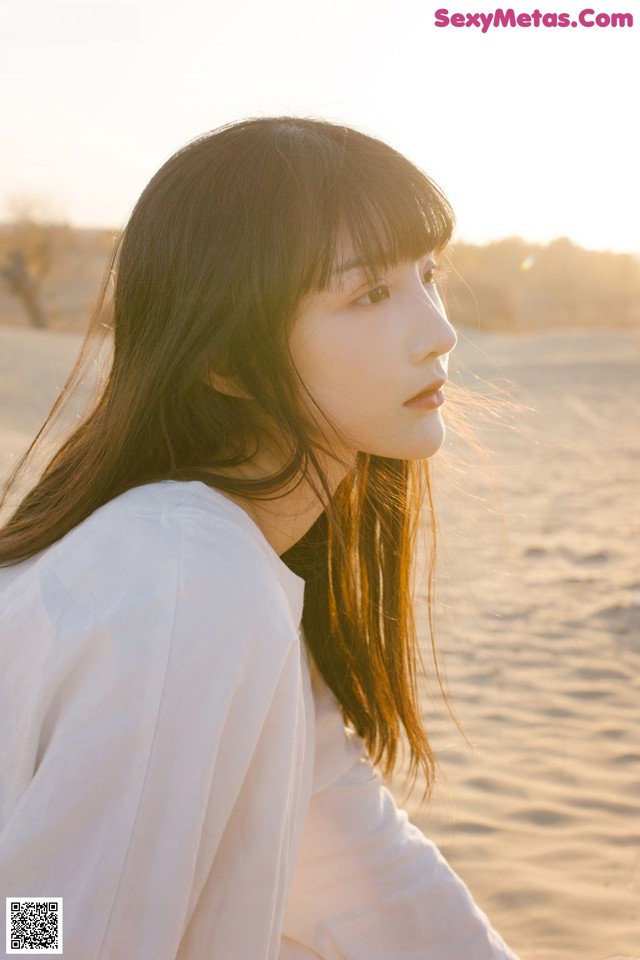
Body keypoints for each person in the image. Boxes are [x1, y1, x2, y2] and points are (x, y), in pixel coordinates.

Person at [0, 117, 519, 959]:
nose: (439, 329)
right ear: (229, 363)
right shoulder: (188, 583)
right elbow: (40, 923)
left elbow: (374, 882)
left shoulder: (214, 570)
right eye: (368, 294)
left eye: (428, 276)